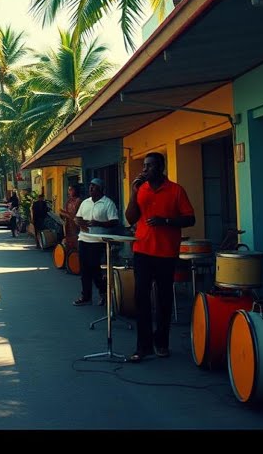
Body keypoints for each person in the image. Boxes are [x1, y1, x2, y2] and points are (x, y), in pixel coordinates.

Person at [124, 152, 195, 362]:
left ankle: (161, 342)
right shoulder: (141, 189)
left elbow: (190, 218)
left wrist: (166, 221)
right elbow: (130, 218)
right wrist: (133, 194)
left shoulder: (176, 190)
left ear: (161, 167)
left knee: (164, 299)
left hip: (166, 252)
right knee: (141, 298)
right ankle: (143, 346)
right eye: (144, 166)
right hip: (142, 250)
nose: (145, 169)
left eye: (150, 166)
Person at [72, 177, 122, 306]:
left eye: (94, 186)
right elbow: (78, 217)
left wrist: (99, 223)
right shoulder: (85, 202)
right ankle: (86, 296)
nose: (91, 188)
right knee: (84, 270)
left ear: (100, 189)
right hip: (83, 238)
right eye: (90, 186)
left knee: (94, 268)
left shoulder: (108, 203)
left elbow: (114, 221)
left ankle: (103, 291)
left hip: (98, 240)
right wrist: (78, 221)